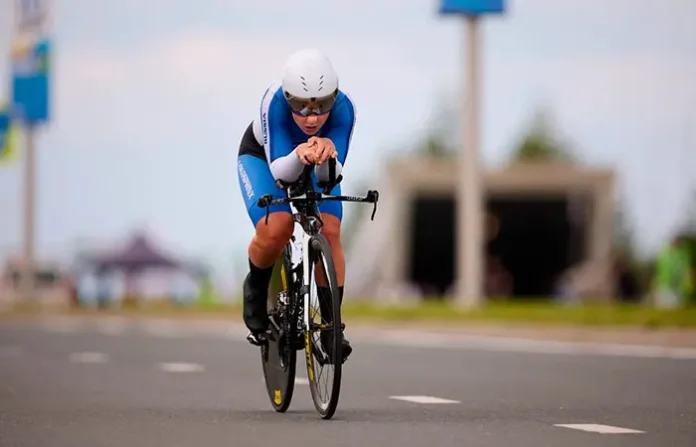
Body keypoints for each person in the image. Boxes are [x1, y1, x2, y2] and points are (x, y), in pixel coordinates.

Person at [236, 49, 356, 361]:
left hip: (315, 162)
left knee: (330, 230)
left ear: (334, 98)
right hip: (266, 160)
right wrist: (300, 153)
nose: (312, 117)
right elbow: (281, 174)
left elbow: (330, 178)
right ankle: (256, 288)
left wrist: (326, 153)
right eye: (300, 107)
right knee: (277, 227)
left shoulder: (345, 109)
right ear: (288, 97)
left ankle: (331, 327)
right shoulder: (273, 101)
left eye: (322, 106)